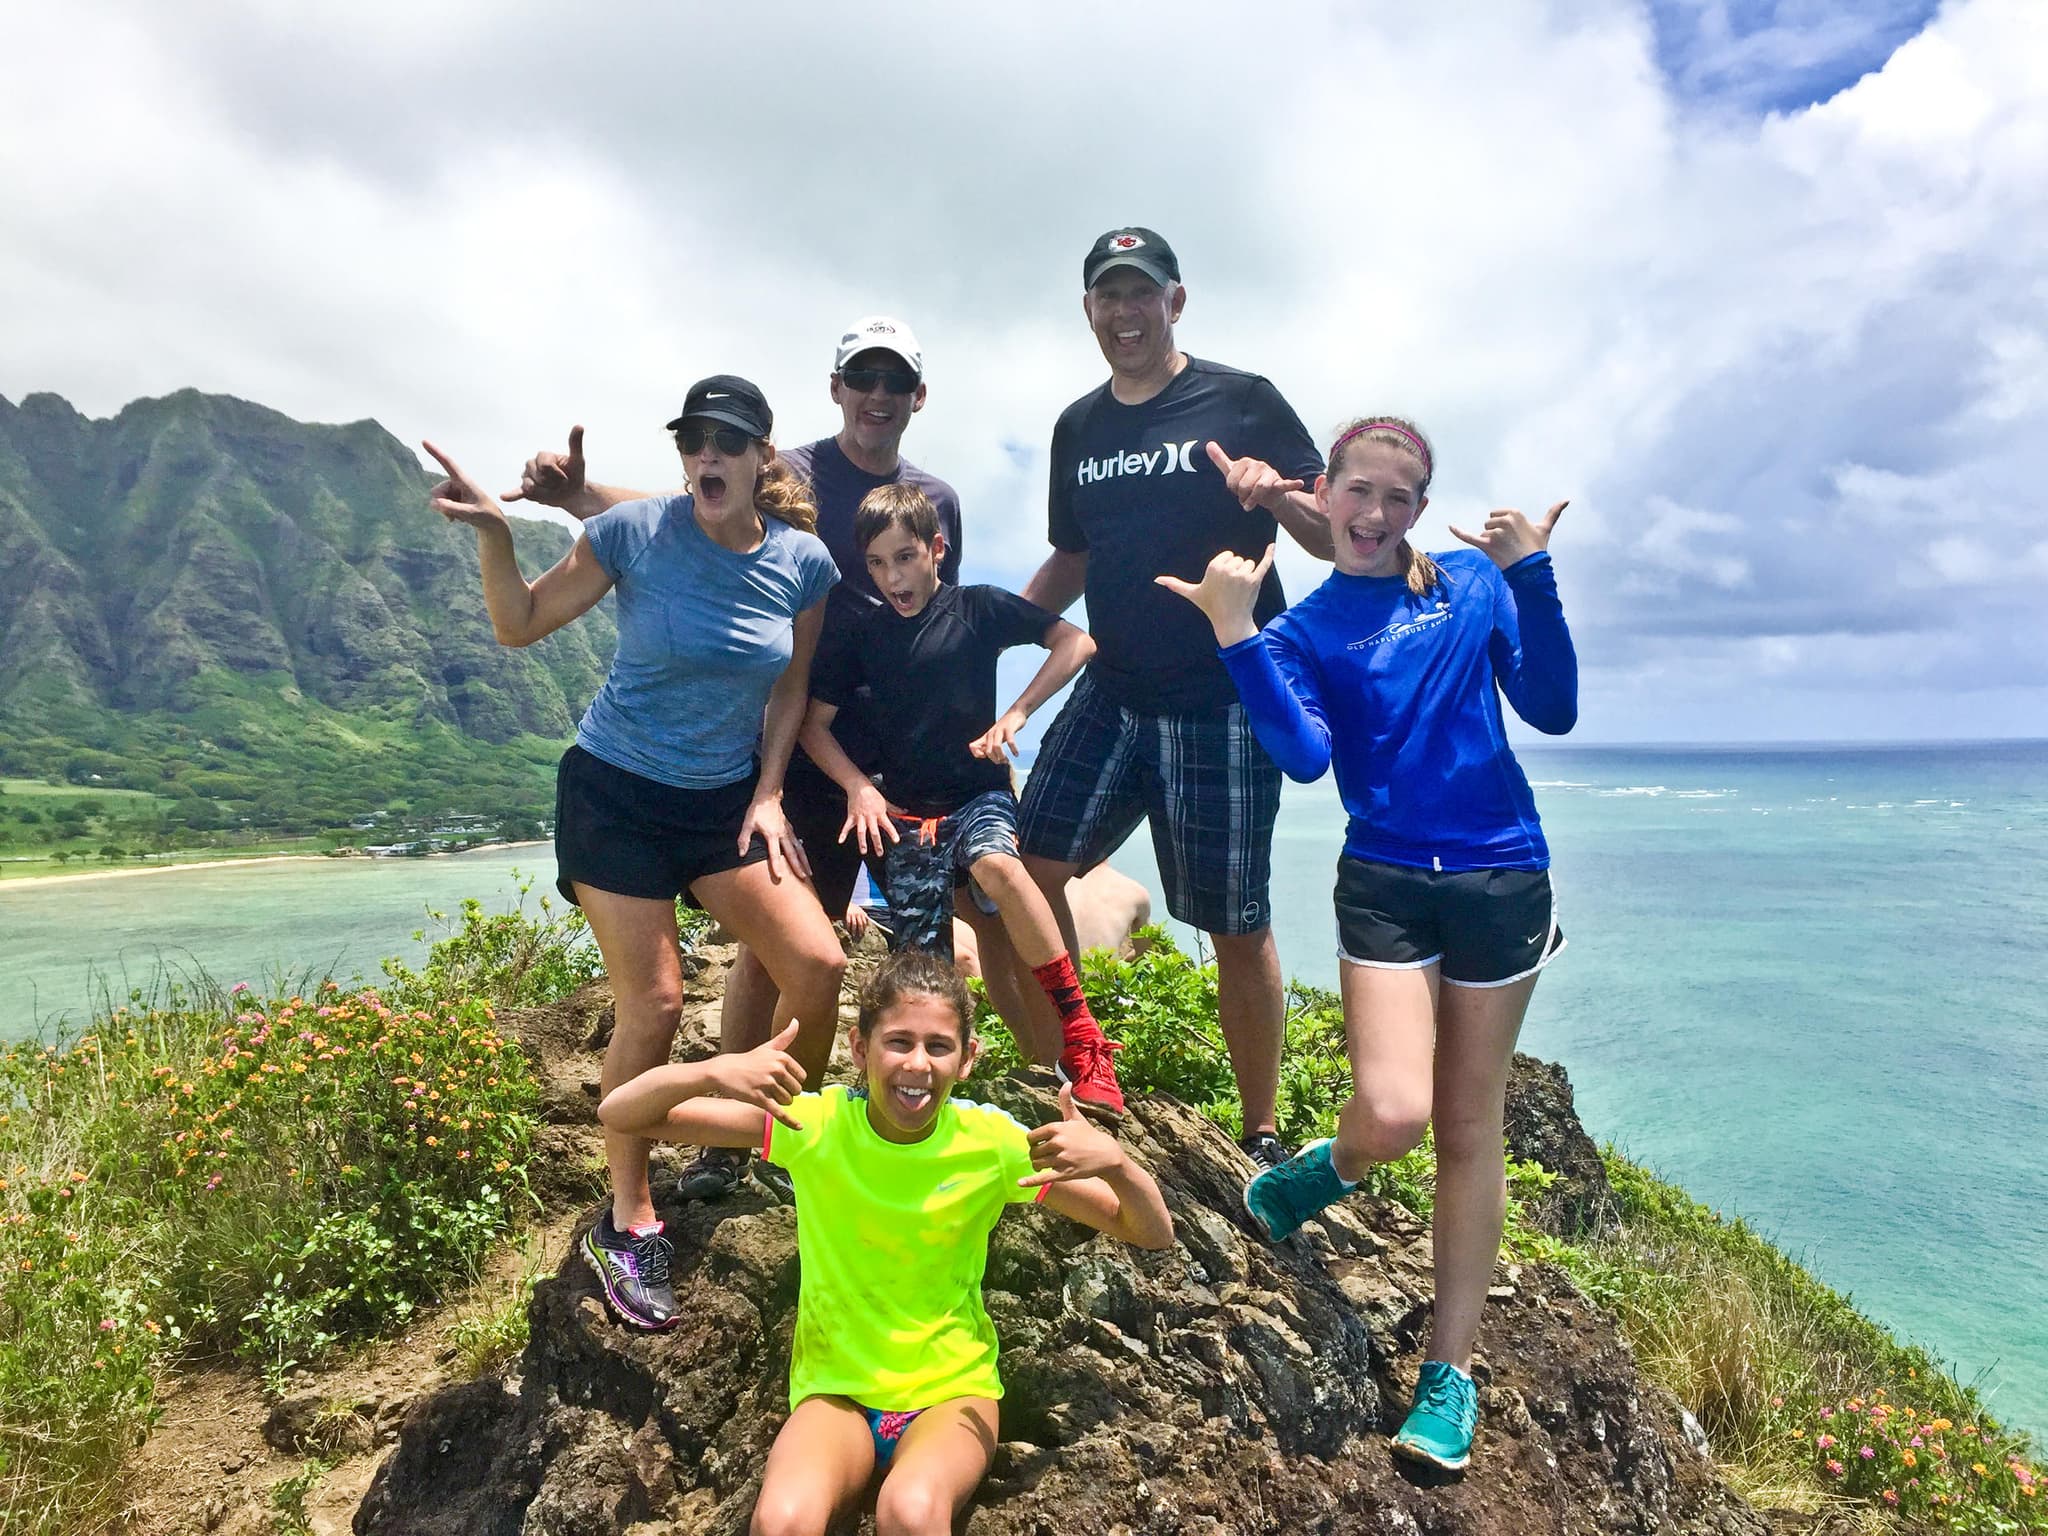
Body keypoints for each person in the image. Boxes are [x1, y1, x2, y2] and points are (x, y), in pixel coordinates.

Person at [504, 319, 1041, 1196]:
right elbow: (696, 514)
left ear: (916, 396)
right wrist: (580, 494)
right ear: (835, 389)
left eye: (893, 381)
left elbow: (937, 637)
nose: (877, 395)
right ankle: (730, 1146)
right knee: (770, 952)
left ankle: (828, 1129)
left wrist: (964, 756)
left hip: (886, 765)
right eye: (860, 378)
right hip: (792, 756)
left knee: (834, 958)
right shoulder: (785, 464)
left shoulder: (936, 498)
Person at [1158, 415, 1575, 1473]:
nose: (1375, 515)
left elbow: (1553, 707)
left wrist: (1530, 574)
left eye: (1398, 499)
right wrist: (1234, 631)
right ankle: (1324, 1169)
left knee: (1468, 1126)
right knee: (1392, 1113)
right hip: (1385, 880)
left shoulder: (1468, 584)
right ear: (1323, 492)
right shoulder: (1306, 628)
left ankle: (1449, 1374)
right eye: (1358, 492)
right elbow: (1301, 757)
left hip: (1499, 877)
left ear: (1419, 510)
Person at [422, 374, 847, 1332]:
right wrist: (496, 536)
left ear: (759, 460)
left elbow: (791, 687)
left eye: (728, 444)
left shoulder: (802, 563)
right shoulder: (633, 534)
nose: (709, 457)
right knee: (652, 1003)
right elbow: (518, 624)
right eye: (694, 441)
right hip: (614, 794)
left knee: (818, 965)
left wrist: (773, 792)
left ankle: (787, 1144)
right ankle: (631, 1213)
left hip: (718, 806)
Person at [597, 951, 1173, 1536]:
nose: (917, 1064)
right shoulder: (815, 1127)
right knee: (781, 1521)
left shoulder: (993, 1144)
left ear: (967, 1059)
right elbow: (622, 1114)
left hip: (953, 1393)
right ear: (858, 1048)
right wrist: (711, 1072)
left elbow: (1150, 1231)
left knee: (912, 1511)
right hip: (836, 1393)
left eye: (939, 1046)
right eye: (898, 1041)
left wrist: (1119, 1164)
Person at [1018, 226, 1330, 1170]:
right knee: (1025, 873)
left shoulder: (1242, 399)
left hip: (1223, 699)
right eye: (1108, 297)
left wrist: (1273, 494)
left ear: (1176, 302)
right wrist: (971, 637)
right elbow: (1074, 559)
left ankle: (1260, 1126)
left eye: (1141, 294)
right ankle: (1073, 1066)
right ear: (1088, 311)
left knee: (1237, 923)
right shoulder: (1078, 427)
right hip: (1112, 689)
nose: (1125, 314)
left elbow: (1326, 531)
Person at [800, 483, 1125, 1109]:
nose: (891, 577)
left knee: (999, 866)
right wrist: (858, 788)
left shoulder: (976, 609)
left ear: (936, 549)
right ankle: (922, 1096)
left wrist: (1017, 714)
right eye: (875, 563)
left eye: (903, 557)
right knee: (925, 978)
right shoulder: (862, 634)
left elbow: (1076, 642)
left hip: (979, 798)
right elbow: (814, 725)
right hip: (908, 820)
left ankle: (1083, 1042)